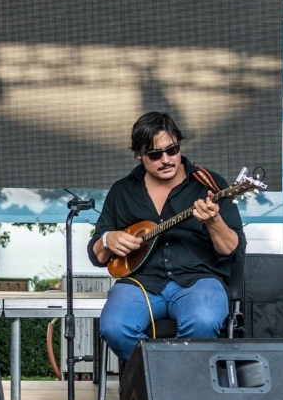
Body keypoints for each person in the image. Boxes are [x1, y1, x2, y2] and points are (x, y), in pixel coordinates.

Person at [87, 111, 245, 361]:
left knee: (203, 321)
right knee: (115, 327)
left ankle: (173, 380)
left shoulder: (210, 185)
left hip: (198, 281)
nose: (166, 159)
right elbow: (97, 255)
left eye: (172, 150)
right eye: (155, 154)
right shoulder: (122, 191)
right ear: (139, 154)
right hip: (141, 283)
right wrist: (108, 240)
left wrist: (214, 222)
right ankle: (158, 377)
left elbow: (233, 250)